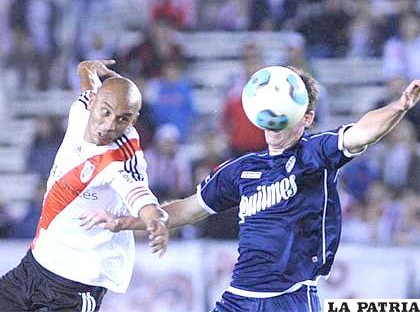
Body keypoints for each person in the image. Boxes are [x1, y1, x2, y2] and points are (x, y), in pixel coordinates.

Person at [81, 66, 420, 312]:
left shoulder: (316, 153)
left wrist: (399, 107)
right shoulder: (241, 170)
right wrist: (125, 221)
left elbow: (362, 132)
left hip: (291, 298)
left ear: (307, 117)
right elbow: (187, 209)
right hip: (239, 298)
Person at [0, 60, 169, 312]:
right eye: (106, 111)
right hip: (35, 265)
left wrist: (154, 218)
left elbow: (140, 195)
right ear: (93, 103)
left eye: (123, 119)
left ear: (133, 121)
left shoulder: (121, 159)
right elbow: (88, 82)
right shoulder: (80, 109)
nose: (110, 125)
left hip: (76, 285)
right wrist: (86, 68)